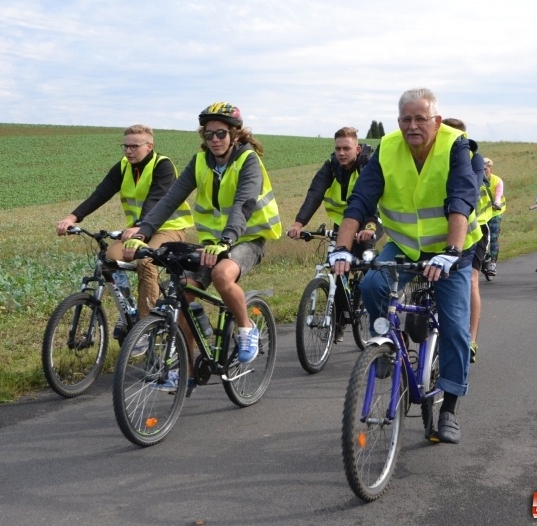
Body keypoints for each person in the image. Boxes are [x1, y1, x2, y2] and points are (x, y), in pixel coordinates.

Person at [329, 88, 481, 444]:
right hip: (404, 245)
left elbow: (461, 196)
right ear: (398, 122)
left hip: (451, 250)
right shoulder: (388, 147)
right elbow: (362, 199)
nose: (413, 126)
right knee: (370, 285)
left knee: (456, 328)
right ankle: (386, 343)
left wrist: (451, 251)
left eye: (420, 119)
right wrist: (341, 248)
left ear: (436, 121)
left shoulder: (456, 146)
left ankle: (449, 410)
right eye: (406, 119)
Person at [124, 102, 281, 387]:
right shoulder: (200, 162)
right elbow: (169, 200)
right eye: (208, 135)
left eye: (221, 134)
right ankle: (188, 373)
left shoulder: (248, 160)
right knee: (184, 291)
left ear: (235, 134)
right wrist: (143, 232)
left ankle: (246, 328)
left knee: (223, 275)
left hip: (247, 239)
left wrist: (228, 239)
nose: (215, 140)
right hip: (213, 243)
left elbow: (244, 202)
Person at [55, 124, 193, 339]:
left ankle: (144, 326)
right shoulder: (123, 167)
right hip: (138, 229)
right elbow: (100, 194)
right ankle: (128, 308)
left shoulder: (162, 166)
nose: (128, 151)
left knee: (146, 261)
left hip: (168, 228)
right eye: (125, 146)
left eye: (134, 146)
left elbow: (156, 200)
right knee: (109, 258)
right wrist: (72, 217)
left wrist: (140, 229)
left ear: (149, 146)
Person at [286, 126, 380, 343]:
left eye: (346, 148)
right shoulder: (331, 167)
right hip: (343, 225)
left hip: (370, 221)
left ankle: (370, 308)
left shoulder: (368, 165)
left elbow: (373, 197)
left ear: (357, 148)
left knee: (367, 268)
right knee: (337, 270)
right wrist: (299, 223)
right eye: (338, 148)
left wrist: (369, 227)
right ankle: (338, 322)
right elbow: (315, 193)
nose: (341, 153)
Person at [441, 118, 487, 365]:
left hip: (473, 231)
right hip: (440, 233)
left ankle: (471, 339)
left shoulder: (474, 159)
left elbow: (472, 187)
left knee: (470, 281)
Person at [484, 157, 505, 276]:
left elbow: (498, 194)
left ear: (490, 168)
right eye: (482, 168)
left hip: (495, 212)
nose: (484, 170)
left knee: (493, 236)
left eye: (486, 168)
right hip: (481, 213)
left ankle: (493, 264)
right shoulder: (477, 179)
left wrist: (496, 203)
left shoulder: (497, 180)